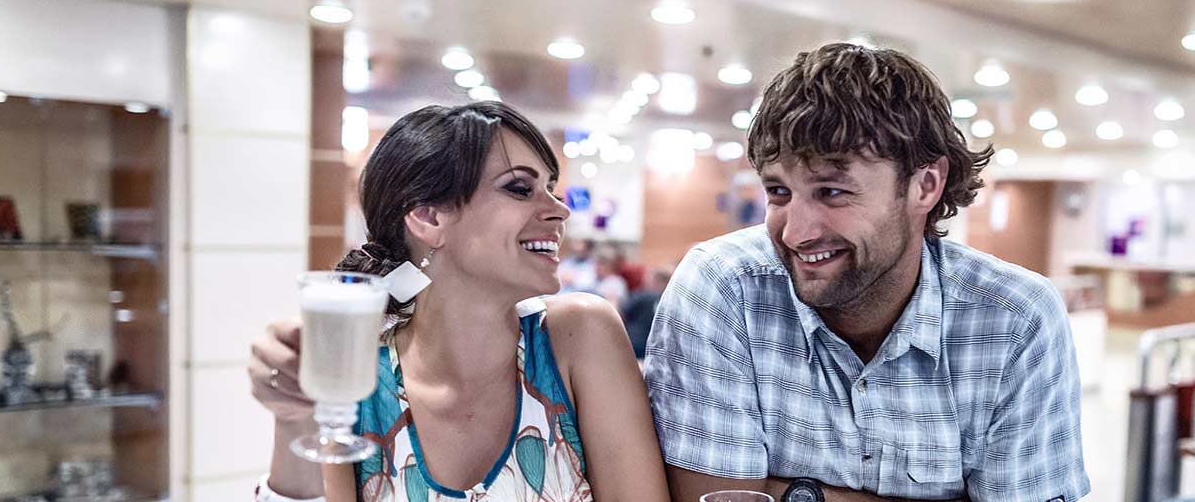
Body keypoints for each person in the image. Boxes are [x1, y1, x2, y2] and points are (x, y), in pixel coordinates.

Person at [644, 43, 1090, 502]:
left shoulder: (1015, 320)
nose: (796, 232)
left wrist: (791, 494)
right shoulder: (722, 290)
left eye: (832, 192)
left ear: (925, 185)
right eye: (778, 191)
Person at [249, 102, 668, 502]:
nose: (559, 210)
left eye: (551, 189)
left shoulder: (578, 336)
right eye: (521, 188)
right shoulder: (356, 373)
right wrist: (292, 417)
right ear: (429, 218)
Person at [619, 264, 673, 359]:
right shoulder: (668, 300)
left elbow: (623, 313)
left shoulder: (642, 296)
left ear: (657, 280)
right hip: (654, 344)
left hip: (633, 341)